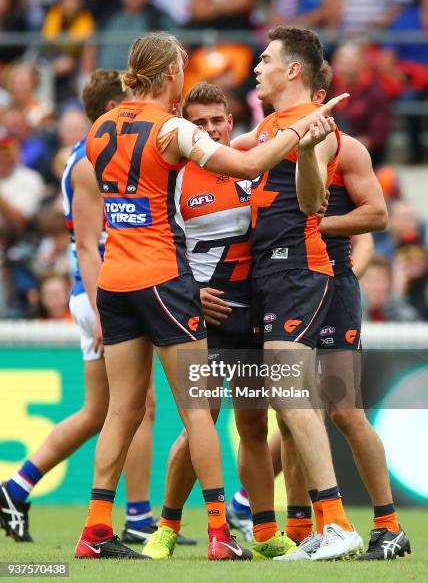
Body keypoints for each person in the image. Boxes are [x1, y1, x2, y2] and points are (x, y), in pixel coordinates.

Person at [75, 30, 345, 560]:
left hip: (115, 281)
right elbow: (245, 167)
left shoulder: (101, 127)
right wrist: (303, 130)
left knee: (122, 412)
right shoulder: (170, 129)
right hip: (166, 279)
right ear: (171, 74)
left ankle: (96, 529)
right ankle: (221, 533)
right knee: (199, 413)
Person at [231, 61, 411, 561]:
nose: (256, 67)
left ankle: (385, 525)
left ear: (296, 73)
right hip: (295, 275)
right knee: (293, 412)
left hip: (323, 277)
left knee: (342, 409)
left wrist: (312, 230)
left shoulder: (342, 142)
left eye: (266, 59)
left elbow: (375, 214)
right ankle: (305, 525)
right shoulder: (268, 132)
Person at [142, 81, 296, 560]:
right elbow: (161, 247)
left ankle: (266, 532)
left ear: (231, 122)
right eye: (200, 123)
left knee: (253, 424)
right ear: (189, 127)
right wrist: (191, 294)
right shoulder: (176, 178)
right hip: (201, 320)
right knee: (201, 420)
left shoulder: (256, 168)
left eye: (217, 121)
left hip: (253, 317)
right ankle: (165, 528)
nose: (210, 129)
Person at [0, 70, 154, 545]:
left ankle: (15, 487)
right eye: (127, 105)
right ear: (112, 110)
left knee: (97, 412)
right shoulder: (94, 157)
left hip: (93, 291)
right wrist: (101, 306)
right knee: (138, 407)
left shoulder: (81, 156)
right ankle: (137, 518)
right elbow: (90, 244)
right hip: (105, 290)